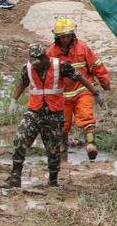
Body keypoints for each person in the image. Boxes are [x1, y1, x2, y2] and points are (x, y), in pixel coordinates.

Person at [1, 45, 102, 189]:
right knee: (20, 138)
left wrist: (95, 92)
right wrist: (13, 101)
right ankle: (15, 177)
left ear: (44, 58)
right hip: (34, 112)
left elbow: (79, 76)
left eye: (37, 63)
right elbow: (22, 82)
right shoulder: (29, 67)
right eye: (32, 62)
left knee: (53, 149)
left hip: (54, 114)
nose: (35, 66)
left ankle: (53, 181)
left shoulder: (59, 66)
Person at [46, 18, 111, 160]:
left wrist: (105, 83)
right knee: (63, 123)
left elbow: (96, 65)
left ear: (72, 35)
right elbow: (46, 76)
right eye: (62, 36)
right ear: (57, 37)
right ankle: (62, 150)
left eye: (68, 36)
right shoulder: (51, 52)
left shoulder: (82, 48)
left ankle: (91, 144)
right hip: (62, 95)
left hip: (82, 90)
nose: (65, 39)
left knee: (86, 116)